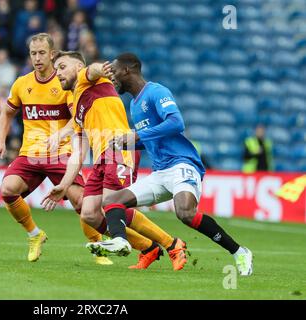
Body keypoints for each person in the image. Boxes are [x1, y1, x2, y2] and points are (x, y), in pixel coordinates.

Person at [94, 53, 253, 276]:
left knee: (185, 213)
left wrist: (137, 135)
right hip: (160, 172)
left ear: (128, 70)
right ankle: (120, 241)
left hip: (181, 164)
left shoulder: (155, 92)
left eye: (116, 73)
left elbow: (176, 123)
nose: (113, 79)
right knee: (112, 201)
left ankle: (239, 252)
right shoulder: (135, 105)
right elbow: (151, 139)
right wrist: (127, 144)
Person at [41, 51, 188, 271]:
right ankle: (149, 248)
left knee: (113, 204)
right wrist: (63, 185)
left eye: (62, 67)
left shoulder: (86, 79)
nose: (57, 73)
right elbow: (79, 152)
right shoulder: (78, 106)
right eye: (56, 69)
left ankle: (172, 244)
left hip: (119, 150)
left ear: (78, 66)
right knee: (89, 213)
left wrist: (103, 68)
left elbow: (93, 70)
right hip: (102, 157)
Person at [0, 33, 112, 265]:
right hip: (31, 153)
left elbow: (76, 116)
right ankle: (34, 235)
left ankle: (97, 245)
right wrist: (0, 142)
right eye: (33, 53)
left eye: (42, 53)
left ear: (52, 54)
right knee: (7, 189)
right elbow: (6, 113)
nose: (37, 58)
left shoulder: (64, 83)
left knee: (80, 201)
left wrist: (62, 133)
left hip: (61, 153)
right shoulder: (21, 84)